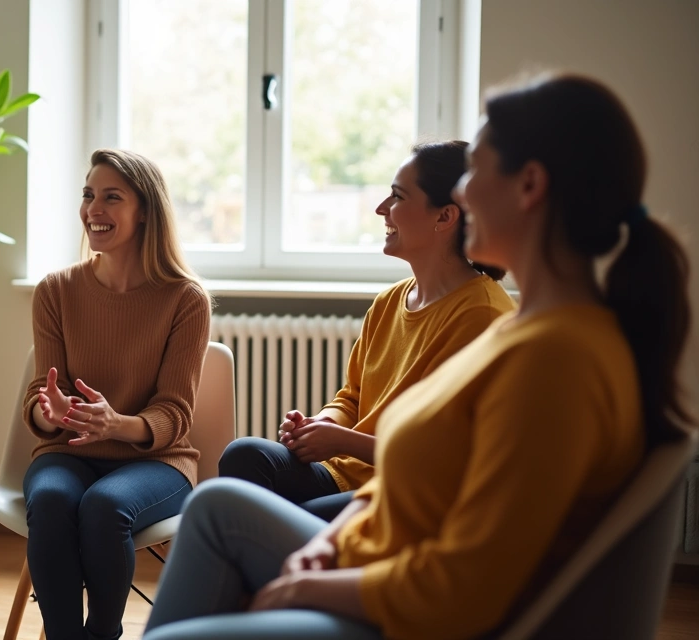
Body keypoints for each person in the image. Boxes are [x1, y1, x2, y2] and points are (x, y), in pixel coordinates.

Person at [143, 73, 691, 640]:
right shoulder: (529, 332)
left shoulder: (555, 360)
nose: (463, 194)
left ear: (529, 185)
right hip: (379, 552)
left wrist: (304, 588)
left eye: (476, 171)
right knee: (216, 505)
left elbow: (466, 589)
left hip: (410, 611)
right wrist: (330, 541)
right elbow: (428, 476)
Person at [219, 141, 515, 520]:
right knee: (244, 455)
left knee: (264, 515)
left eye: (398, 196)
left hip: (408, 491)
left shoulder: (482, 316)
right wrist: (322, 425)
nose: (381, 208)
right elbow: (352, 398)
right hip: (346, 475)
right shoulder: (390, 301)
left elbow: (448, 454)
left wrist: (343, 441)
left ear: (444, 217)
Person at [23, 149, 212, 640]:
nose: (93, 210)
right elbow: (42, 394)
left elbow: (175, 411)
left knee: (105, 507)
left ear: (145, 210)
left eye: (111, 197)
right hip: (67, 452)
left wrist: (115, 424)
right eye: (89, 195)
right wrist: (51, 413)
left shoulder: (185, 298)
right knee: (50, 501)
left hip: (156, 461)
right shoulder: (55, 290)